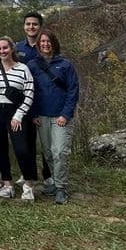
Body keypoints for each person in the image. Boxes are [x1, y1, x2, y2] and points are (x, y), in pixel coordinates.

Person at [0, 36, 37, 202]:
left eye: (5, 48)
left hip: (16, 113)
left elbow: (29, 94)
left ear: (12, 48)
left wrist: (19, 115)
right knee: (0, 149)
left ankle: (28, 185)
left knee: (22, 149)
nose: (2, 51)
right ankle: (7, 184)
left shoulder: (23, 69)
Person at [29, 31, 80, 205]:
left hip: (60, 117)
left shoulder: (65, 64)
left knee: (60, 151)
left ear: (54, 43)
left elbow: (73, 90)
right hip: (41, 116)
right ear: (38, 44)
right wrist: (33, 113)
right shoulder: (33, 65)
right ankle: (55, 183)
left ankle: (61, 188)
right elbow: (30, 91)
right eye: (42, 41)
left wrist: (65, 114)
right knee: (48, 153)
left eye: (49, 41)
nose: (46, 44)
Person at [15, 11, 52, 189]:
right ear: (24, 26)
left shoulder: (46, 45)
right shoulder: (17, 48)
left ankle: (48, 175)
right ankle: (27, 173)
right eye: (28, 24)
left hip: (44, 100)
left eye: (35, 24)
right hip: (24, 102)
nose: (31, 27)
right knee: (27, 142)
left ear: (40, 26)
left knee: (46, 142)